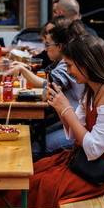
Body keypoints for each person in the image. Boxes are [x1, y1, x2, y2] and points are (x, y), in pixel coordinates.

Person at [0, 34, 104, 208]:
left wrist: (66, 109)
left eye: (70, 65)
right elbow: (74, 133)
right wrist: (60, 108)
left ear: (86, 63)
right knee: (26, 175)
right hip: (79, 161)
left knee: (33, 188)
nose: (68, 71)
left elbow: (93, 149)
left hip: (95, 175)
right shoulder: (91, 89)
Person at [5, 18, 85, 158]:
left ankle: (33, 178)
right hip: (73, 121)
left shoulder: (66, 67)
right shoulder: (66, 63)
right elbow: (46, 85)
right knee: (34, 135)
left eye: (48, 44)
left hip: (79, 126)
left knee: (35, 148)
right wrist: (23, 70)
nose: (45, 48)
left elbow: (45, 94)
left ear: (60, 46)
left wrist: (23, 71)